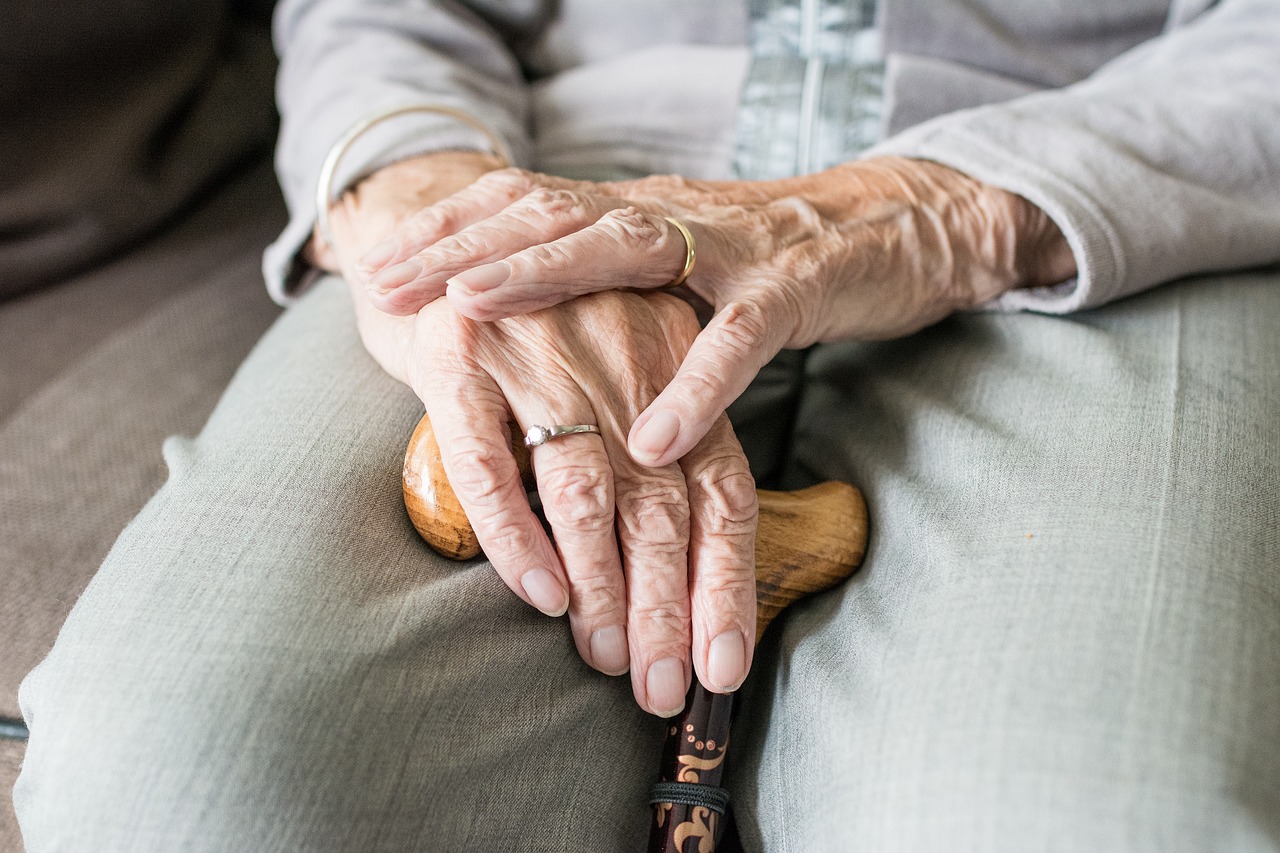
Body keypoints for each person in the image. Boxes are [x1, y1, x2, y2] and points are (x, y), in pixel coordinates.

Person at [14, 0, 1280, 850]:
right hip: (544, 177)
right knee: (185, 781)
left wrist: (927, 209)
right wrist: (442, 210)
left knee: (1105, 814)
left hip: (1095, 191)